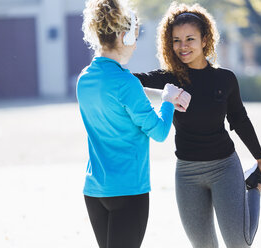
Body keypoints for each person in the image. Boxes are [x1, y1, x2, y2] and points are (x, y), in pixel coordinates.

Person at [134, 2, 261, 248]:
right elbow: (132, 81)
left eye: (190, 39)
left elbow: (239, 119)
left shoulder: (225, 79)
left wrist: (259, 157)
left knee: (240, 243)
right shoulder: (169, 79)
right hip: (187, 173)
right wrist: (103, 68)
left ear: (205, 39)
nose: (182, 47)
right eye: (176, 40)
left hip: (224, 168)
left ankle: (254, 188)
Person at [76, 1, 191, 248]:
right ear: (122, 35)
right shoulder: (126, 82)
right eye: (134, 37)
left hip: (95, 190)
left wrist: (159, 94)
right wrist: (168, 101)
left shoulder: (84, 79)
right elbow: (159, 132)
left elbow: (117, 97)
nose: (136, 44)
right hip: (128, 190)